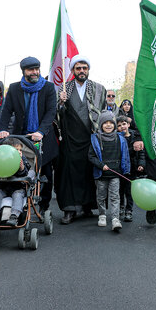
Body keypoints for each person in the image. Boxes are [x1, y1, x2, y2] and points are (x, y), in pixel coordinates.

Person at [0, 57, 58, 216]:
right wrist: (2, 129)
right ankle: (22, 204)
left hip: (43, 137)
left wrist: (41, 131)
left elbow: (51, 112)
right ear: (23, 71)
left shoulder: (49, 87)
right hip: (21, 138)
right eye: (31, 69)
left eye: (37, 69)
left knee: (45, 173)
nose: (35, 72)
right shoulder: (15, 88)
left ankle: (44, 205)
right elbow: (6, 111)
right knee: (21, 172)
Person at [56, 54, 107, 224]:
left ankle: (87, 206)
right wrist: (61, 103)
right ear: (72, 71)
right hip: (70, 140)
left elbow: (104, 114)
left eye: (85, 68)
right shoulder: (64, 89)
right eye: (78, 68)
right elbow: (57, 115)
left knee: (88, 172)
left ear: (88, 70)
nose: (82, 71)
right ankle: (70, 209)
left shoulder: (99, 89)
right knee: (69, 174)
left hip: (90, 138)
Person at [88, 111, 130, 232]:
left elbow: (125, 155)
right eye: (105, 123)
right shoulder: (96, 139)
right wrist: (101, 165)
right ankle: (102, 215)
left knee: (115, 196)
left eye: (110, 123)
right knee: (101, 196)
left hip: (115, 174)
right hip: (101, 174)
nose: (108, 125)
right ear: (101, 124)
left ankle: (115, 219)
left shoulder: (120, 138)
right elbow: (91, 156)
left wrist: (125, 169)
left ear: (114, 125)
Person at [0, 138, 32, 227]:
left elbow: (26, 172)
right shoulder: (0, 159)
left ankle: (14, 216)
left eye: (20, 150)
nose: (19, 152)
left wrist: (21, 168)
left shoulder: (22, 159)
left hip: (17, 187)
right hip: (2, 186)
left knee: (18, 195)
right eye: (16, 150)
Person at [116, 115, 145, 222]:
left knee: (129, 190)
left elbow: (141, 152)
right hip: (121, 169)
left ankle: (129, 210)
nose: (122, 127)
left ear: (128, 124)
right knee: (120, 190)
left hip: (132, 168)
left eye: (124, 124)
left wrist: (141, 164)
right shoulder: (117, 138)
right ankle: (121, 207)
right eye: (119, 126)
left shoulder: (135, 137)